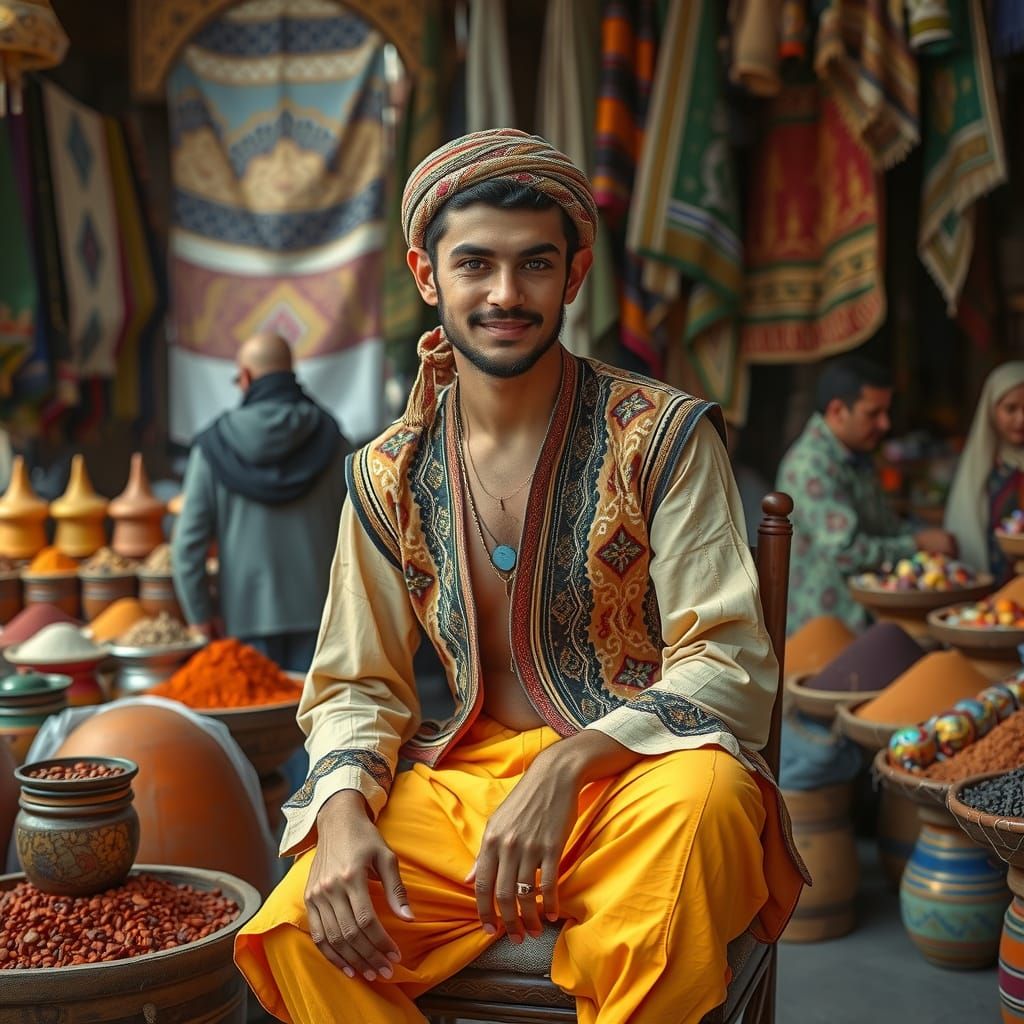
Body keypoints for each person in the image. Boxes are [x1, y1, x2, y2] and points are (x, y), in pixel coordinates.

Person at [234, 129, 808, 1024]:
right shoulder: (386, 473)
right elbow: (354, 684)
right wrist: (342, 811)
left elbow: (728, 659)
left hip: (639, 781)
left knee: (708, 809)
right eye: (476, 265)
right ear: (428, 275)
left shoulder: (660, 437)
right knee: (302, 925)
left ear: (574, 276)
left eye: (535, 265)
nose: (506, 294)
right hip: (465, 790)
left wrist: (572, 766)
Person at [171, 331, 350, 674]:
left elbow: (187, 547)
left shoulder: (212, 446)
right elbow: (361, 532)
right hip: (325, 619)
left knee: (259, 724)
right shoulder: (333, 438)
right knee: (319, 724)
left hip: (243, 622)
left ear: (247, 376)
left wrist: (200, 616)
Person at [777, 356, 957, 634]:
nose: (885, 424)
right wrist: (918, 543)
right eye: (873, 413)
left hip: (863, 620)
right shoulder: (811, 466)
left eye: (886, 412)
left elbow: (886, 527)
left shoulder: (856, 455)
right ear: (837, 411)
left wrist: (927, 538)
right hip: (825, 630)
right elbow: (845, 551)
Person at [944, 361, 1024, 582]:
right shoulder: (981, 466)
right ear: (991, 410)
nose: (1021, 419)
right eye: (1010, 409)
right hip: (990, 594)